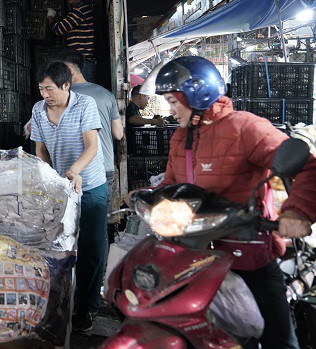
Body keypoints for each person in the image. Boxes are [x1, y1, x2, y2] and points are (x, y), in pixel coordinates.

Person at [128, 56, 316, 349]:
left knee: (278, 338)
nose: (170, 109)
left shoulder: (246, 127)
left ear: (197, 94)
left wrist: (297, 212)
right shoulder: (182, 137)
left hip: (248, 251)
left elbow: (307, 166)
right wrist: (144, 196)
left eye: (173, 101)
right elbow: (171, 186)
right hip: (193, 254)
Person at [30, 61, 107, 333]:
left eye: (49, 89)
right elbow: (40, 149)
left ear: (66, 85)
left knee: (92, 246)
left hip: (90, 185)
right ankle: (63, 304)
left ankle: (89, 306)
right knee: (61, 246)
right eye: (41, 89)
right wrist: (50, 179)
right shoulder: (39, 110)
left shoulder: (85, 105)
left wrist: (74, 171)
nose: (45, 95)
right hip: (61, 187)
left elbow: (92, 146)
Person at [60, 49, 124, 216]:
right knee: (101, 222)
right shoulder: (106, 94)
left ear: (70, 71)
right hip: (105, 168)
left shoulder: (63, 97)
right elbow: (118, 134)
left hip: (74, 170)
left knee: (73, 226)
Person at [47, 0, 97, 82]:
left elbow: (58, 29)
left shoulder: (80, 10)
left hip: (83, 65)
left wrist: (50, 17)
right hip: (81, 64)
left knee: (82, 96)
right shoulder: (78, 10)